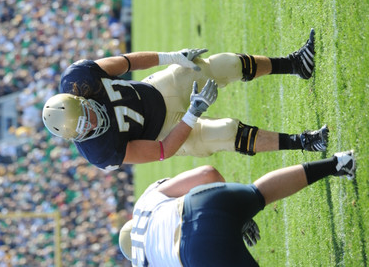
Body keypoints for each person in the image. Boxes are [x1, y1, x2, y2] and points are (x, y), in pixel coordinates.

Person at [42, 28, 329, 171]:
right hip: (167, 133)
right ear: (76, 137)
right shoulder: (98, 151)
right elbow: (162, 151)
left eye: (87, 112)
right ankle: (305, 142)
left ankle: (295, 64)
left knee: (222, 66)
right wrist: (192, 114)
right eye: (85, 126)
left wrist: (171, 57)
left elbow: (127, 61)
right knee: (226, 133)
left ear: (79, 98)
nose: (93, 120)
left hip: (158, 90)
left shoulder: (79, 78)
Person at [119, 150, 356, 266]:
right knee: (259, 192)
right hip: (200, 202)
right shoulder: (144, 205)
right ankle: (339, 163)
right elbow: (207, 173)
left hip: (195, 253)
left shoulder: (143, 262)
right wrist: (235, 215)